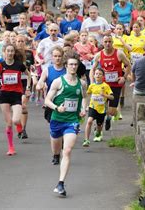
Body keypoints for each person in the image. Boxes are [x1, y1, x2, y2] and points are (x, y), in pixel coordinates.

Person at [44, 55, 88, 197]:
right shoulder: (58, 82)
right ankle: (56, 155)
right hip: (57, 119)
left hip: (72, 121)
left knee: (67, 150)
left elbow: (84, 98)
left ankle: (61, 183)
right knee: (57, 148)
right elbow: (47, 100)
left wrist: (83, 109)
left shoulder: (82, 83)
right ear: (66, 66)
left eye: (75, 64)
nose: (73, 67)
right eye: (71, 64)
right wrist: (57, 108)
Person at [0, 44, 30, 155]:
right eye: (8, 51)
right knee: (8, 123)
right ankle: (11, 147)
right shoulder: (0, 65)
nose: (10, 53)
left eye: (12, 51)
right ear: (4, 52)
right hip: (4, 95)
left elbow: (29, 75)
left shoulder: (19, 65)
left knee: (15, 120)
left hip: (16, 94)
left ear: (14, 52)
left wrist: (28, 88)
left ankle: (19, 126)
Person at [90, 35, 131, 128]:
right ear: (103, 43)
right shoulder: (99, 55)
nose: (108, 44)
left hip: (116, 85)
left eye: (109, 42)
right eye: (105, 42)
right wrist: (93, 83)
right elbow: (92, 69)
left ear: (112, 42)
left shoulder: (119, 53)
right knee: (101, 106)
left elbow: (128, 65)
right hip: (103, 84)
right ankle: (102, 121)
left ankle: (109, 116)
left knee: (112, 111)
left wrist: (124, 77)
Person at [83, 68, 114, 146]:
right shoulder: (92, 86)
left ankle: (98, 133)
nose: (98, 75)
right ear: (94, 75)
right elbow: (86, 95)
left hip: (102, 109)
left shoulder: (106, 86)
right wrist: (84, 106)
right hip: (92, 107)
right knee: (89, 121)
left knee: (99, 125)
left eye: (100, 74)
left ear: (103, 76)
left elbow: (112, 97)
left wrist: (105, 95)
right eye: (96, 74)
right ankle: (86, 140)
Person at [36, 46, 66, 126]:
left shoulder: (67, 70)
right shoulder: (47, 70)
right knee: (54, 125)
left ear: (63, 57)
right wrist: (40, 85)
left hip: (64, 101)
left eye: (59, 56)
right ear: (52, 57)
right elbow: (40, 83)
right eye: (55, 56)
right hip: (51, 102)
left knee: (64, 124)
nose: (57, 58)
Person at [16, 35, 34, 139]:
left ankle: (23, 129)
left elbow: (31, 68)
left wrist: (28, 87)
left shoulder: (29, 53)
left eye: (22, 41)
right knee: (16, 107)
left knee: (23, 106)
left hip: (26, 81)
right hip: (14, 82)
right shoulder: (12, 53)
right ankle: (18, 125)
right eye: (18, 41)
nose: (20, 43)